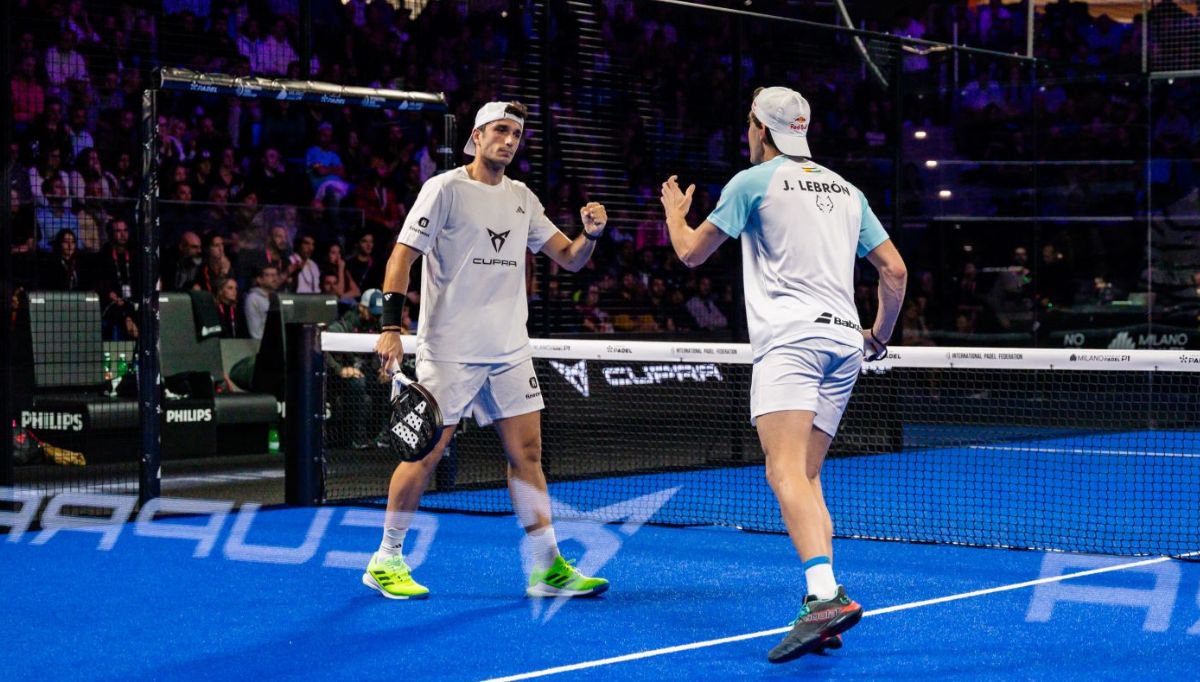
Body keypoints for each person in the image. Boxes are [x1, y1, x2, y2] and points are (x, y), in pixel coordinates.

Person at [659, 86, 907, 663]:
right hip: (844, 346)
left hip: (791, 344)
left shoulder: (752, 183)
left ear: (760, 128)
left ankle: (824, 598)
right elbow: (894, 271)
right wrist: (877, 337)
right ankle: (823, 601)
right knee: (808, 476)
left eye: (749, 124)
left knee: (783, 471)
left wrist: (674, 215)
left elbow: (691, 253)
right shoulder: (847, 191)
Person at [368, 101, 610, 600]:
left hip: (509, 350)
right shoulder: (444, 189)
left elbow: (568, 258)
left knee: (528, 454)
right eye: (501, 130)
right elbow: (402, 257)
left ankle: (547, 567)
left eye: (516, 134)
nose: (509, 140)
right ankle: (386, 558)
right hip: (450, 349)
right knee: (425, 452)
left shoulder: (522, 198)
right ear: (477, 136)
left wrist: (590, 235)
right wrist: (391, 327)